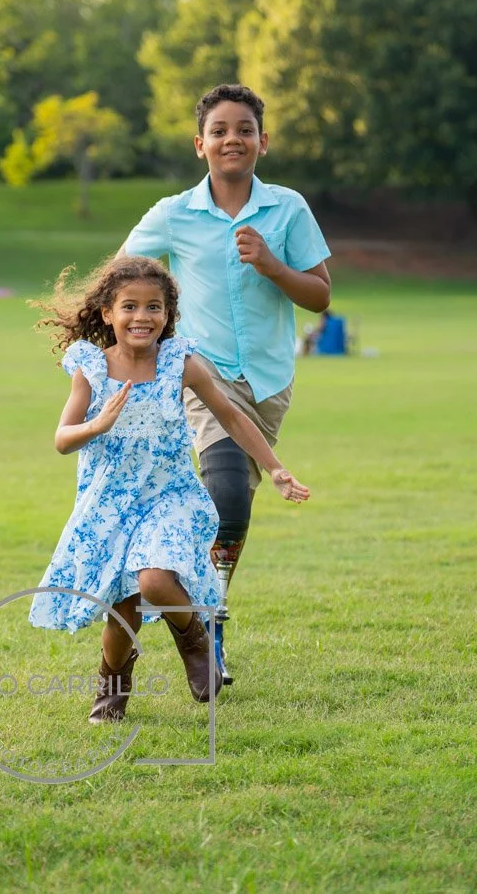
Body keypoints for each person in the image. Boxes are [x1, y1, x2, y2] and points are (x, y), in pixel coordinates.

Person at [30, 255, 310, 724]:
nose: (142, 317)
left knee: (156, 580)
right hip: (110, 503)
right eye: (130, 307)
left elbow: (231, 416)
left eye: (154, 308)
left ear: (168, 315)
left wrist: (274, 468)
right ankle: (113, 685)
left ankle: (195, 642)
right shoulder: (92, 367)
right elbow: (62, 439)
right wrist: (98, 423)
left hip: (169, 495)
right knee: (121, 613)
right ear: (108, 314)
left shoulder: (179, 362)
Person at [120, 84, 331, 683]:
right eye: (218, 130)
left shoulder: (288, 209)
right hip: (200, 372)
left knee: (232, 512)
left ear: (263, 141)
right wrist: (132, 336)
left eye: (243, 129)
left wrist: (271, 264)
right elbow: (121, 275)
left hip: (268, 379)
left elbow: (320, 296)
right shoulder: (173, 214)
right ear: (199, 144)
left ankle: (201, 610)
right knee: (229, 494)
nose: (231, 139)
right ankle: (202, 625)